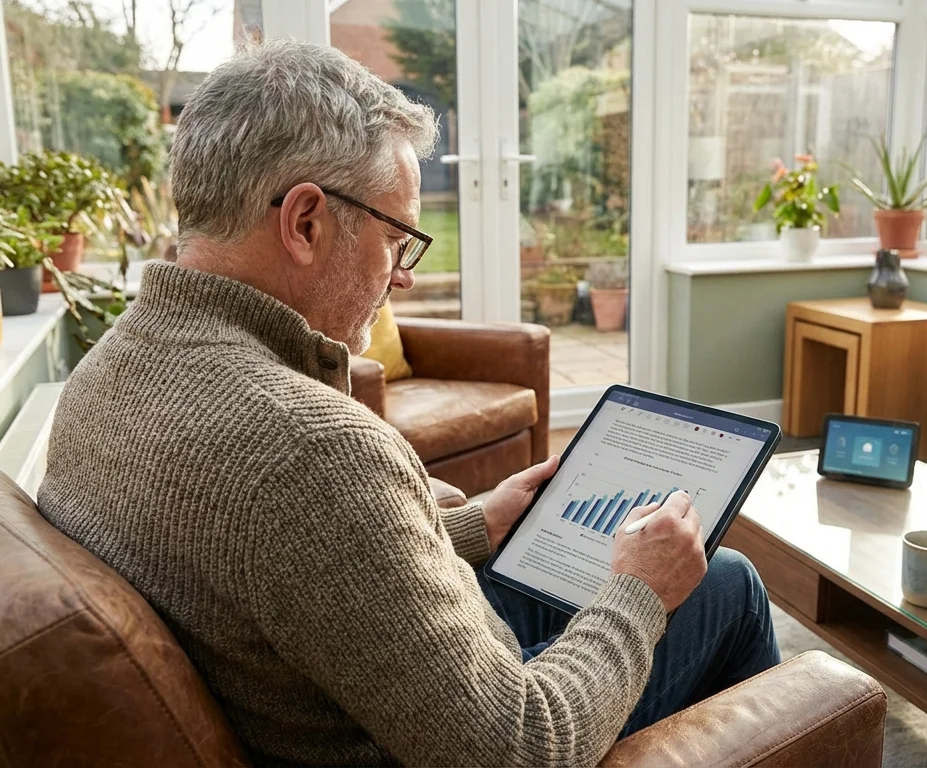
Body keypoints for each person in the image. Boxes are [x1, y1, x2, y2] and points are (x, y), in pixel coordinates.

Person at [38, 39, 778, 767]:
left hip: (369, 693)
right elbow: (521, 748)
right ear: (305, 223)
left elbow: (291, 573)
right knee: (727, 585)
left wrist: (477, 524)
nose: (404, 278)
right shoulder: (310, 447)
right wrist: (639, 593)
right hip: (447, 731)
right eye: (398, 239)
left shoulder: (113, 365)